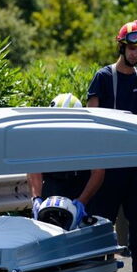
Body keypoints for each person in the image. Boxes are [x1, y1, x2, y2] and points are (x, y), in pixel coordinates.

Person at [86, 20, 137, 272]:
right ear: (121, 47)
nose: (136, 54)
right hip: (110, 163)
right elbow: (92, 119)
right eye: (132, 48)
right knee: (102, 220)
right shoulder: (104, 77)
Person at [27, 93, 104, 225]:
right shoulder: (42, 136)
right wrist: (36, 198)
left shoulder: (89, 138)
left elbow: (98, 172)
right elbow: (34, 169)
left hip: (81, 188)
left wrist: (82, 201)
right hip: (52, 189)